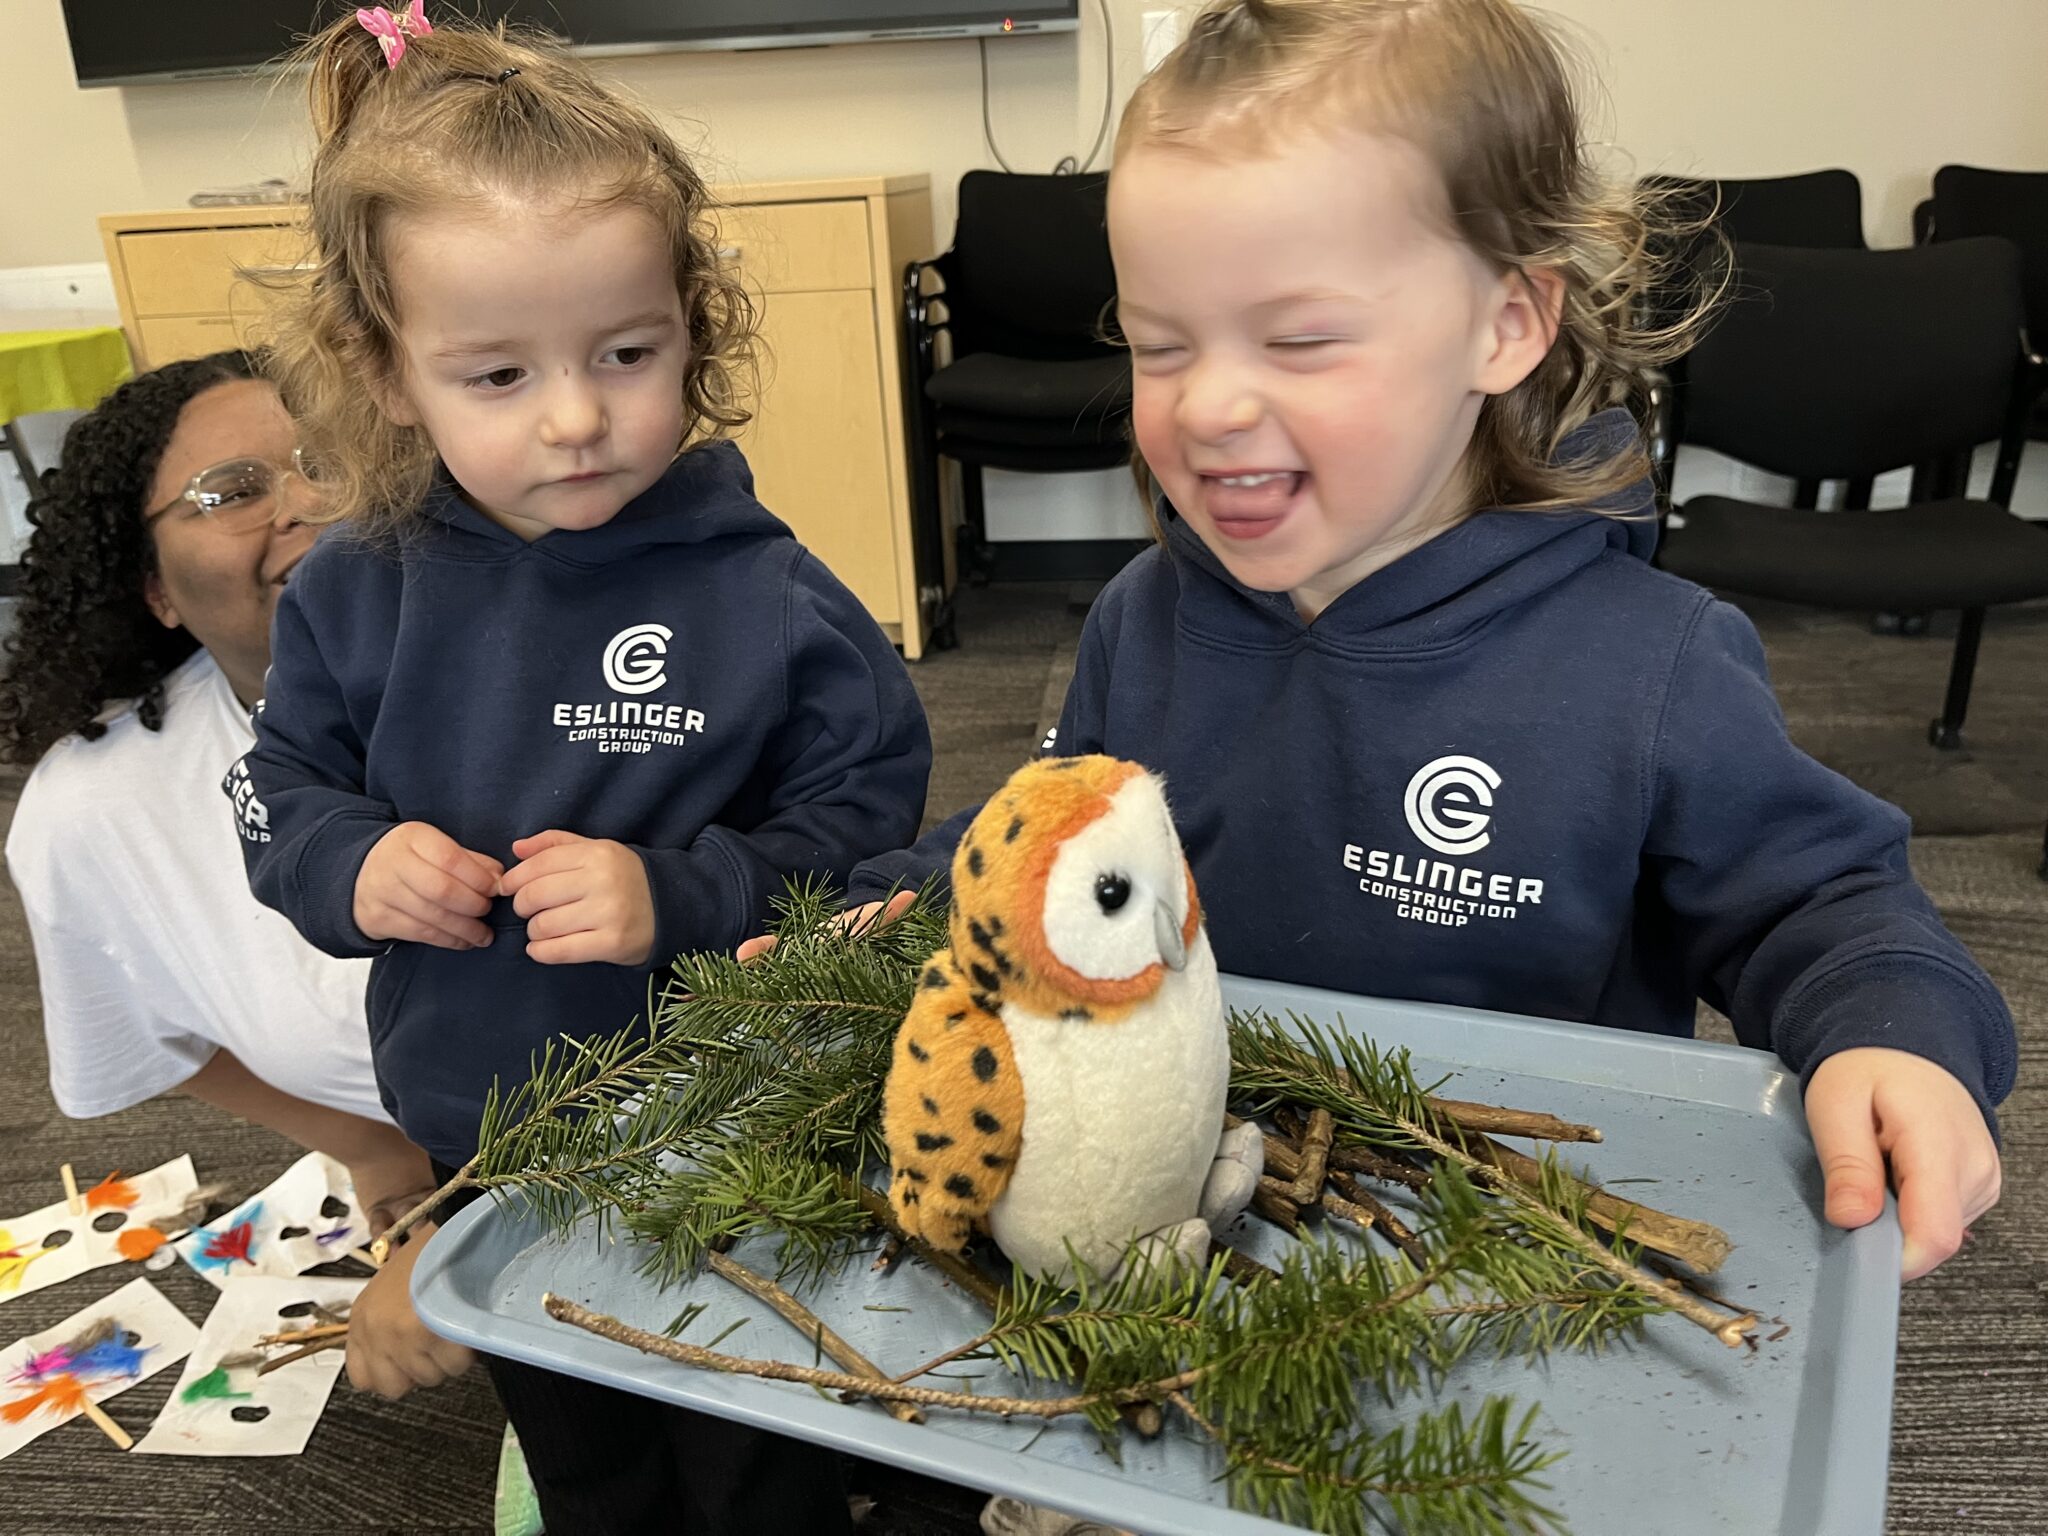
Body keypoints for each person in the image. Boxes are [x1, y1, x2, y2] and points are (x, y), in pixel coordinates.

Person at [832, 0, 2011, 1284]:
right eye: (1159, 345)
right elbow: (1053, 843)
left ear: (1504, 325)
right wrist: (898, 899)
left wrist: (1895, 1035)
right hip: (1187, 1207)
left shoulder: (1653, 668)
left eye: (1299, 338)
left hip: (1507, 1261)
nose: (1208, 404)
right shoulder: (1140, 615)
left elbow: (1822, 903)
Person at [234, 13, 930, 1533]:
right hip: (487, 1121)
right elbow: (280, 792)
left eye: (627, 353)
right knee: (582, 1443)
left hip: (741, 1118)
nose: (575, 416)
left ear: (692, 327)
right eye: (497, 373)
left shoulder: (768, 593)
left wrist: (686, 894)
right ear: (386, 371)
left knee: (760, 1441)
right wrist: (353, 861)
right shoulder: (355, 588)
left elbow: (874, 836)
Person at [0, 351, 473, 1399]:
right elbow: (141, 1029)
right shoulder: (97, 814)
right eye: (231, 491)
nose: (304, 503)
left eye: (329, 461)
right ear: (154, 589)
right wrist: (375, 1149)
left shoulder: (574, 694)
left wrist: (479, 1224)